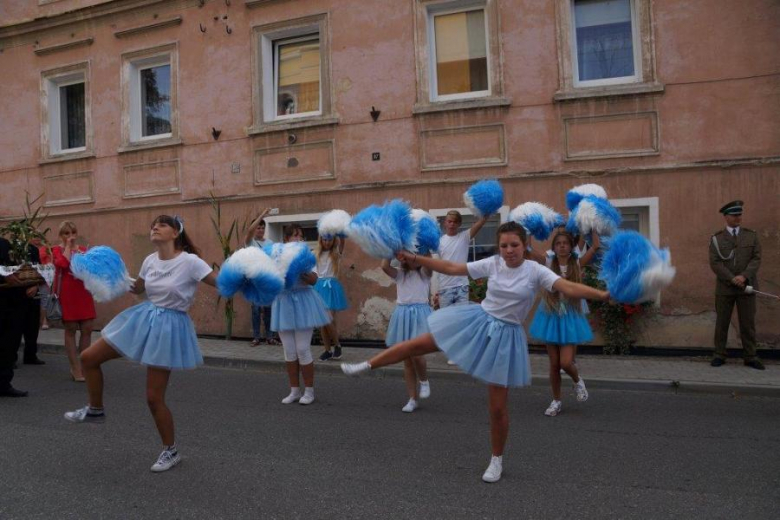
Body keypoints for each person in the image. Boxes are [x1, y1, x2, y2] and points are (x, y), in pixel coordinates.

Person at [341, 222, 609, 483]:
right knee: (416, 344)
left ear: (525, 244)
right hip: (477, 320)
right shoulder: (492, 263)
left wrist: (603, 295)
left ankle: (496, 459)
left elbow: (568, 287)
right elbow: (450, 267)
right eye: (504, 245)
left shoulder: (536, 271)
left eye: (514, 244)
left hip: (506, 337)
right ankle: (366, 365)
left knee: (497, 408)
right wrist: (413, 256)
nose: (509, 250)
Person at [63, 215, 217, 472]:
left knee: (153, 398)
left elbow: (221, 283)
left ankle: (171, 450)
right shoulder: (149, 260)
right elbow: (138, 289)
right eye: (153, 225)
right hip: (145, 317)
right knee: (88, 358)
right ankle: (96, 409)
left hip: (169, 327)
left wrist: (247, 273)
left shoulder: (190, 262)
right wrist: (107, 275)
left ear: (175, 232)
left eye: (162, 224)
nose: (154, 227)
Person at [529, 230, 599, 417]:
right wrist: (528, 229)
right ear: (554, 247)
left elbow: (596, 247)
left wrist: (592, 227)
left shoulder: (576, 263)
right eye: (558, 243)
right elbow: (528, 250)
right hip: (550, 314)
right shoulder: (547, 263)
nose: (561, 246)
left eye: (565, 243)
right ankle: (556, 400)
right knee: (553, 364)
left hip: (570, 315)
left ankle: (577, 380)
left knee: (566, 362)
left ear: (570, 246)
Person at [273, 224, 330, 405]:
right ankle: (294, 391)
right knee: (289, 351)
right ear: (286, 239)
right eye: (294, 235)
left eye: (300, 235)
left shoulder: (308, 256)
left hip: (304, 302)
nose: (298, 238)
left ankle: (310, 391)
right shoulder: (276, 255)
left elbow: (314, 280)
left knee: (303, 349)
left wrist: (299, 268)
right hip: (284, 302)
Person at [709, 200, 764, 370]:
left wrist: (744, 276)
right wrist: (732, 278)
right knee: (722, 323)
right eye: (734, 215)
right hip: (725, 287)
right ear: (726, 217)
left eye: (739, 214)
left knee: (748, 323)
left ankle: (750, 356)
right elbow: (715, 263)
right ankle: (719, 354)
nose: (738, 218)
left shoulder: (751, 235)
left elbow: (756, 258)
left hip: (747, 286)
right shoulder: (717, 238)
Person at [436, 210, 489, 365]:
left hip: (461, 286)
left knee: (460, 322)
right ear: (445, 223)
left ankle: (459, 354)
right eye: (449, 221)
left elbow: (479, 224)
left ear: (459, 224)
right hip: (445, 287)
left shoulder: (464, 237)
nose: (451, 224)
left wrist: (485, 214)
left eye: (454, 222)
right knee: (448, 323)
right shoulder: (439, 242)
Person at [381, 256, 432, 413]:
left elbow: (428, 263)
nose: (405, 259)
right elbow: (384, 265)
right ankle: (412, 399)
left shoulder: (424, 272)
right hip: (403, 314)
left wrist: (415, 255)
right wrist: (391, 248)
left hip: (420, 314)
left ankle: (424, 381)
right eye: (403, 256)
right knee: (407, 360)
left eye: (409, 256)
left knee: (417, 354)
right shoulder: (399, 274)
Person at [52, 221, 96, 381]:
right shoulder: (56, 250)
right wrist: (69, 249)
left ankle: (84, 364)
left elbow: (90, 270)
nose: (70, 236)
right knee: (70, 329)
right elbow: (62, 265)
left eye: (72, 233)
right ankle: (75, 368)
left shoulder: (83, 250)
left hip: (83, 292)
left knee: (88, 328)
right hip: (67, 292)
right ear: (61, 235)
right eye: (66, 233)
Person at [0, 237, 34, 397]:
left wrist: (31, 281)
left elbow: (18, 266)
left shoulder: (7, 243)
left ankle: (4, 383)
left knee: (10, 343)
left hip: (13, 301)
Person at [244, 209, 278, 346]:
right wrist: (262, 215)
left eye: (263, 228)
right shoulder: (250, 242)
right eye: (258, 227)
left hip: (267, 279)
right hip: (254, 280)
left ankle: (269, 337)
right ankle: (256, 337)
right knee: (256, 310)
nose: (260, 230)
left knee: (269, 309)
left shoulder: (270, 242)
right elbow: (249, 231)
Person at [315, 234, 349, 361]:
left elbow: (343, 242)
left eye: (329, 239)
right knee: (323, 323)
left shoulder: (335, 253)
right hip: (318, 286)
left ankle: (338, 346)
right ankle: (327, 350)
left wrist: (340, 229)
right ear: (321, 240)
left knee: (328, 319)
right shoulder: (316, 253)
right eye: (324, 239)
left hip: (331, 287)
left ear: (333, 240)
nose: (327, 242)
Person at [19, 243, 45, 365]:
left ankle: (30, 355)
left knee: (33, 324)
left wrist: (35, 285)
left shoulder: (34, 250)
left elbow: (39, 270)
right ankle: (11, 357)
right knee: (16, 325)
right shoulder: (13, 248)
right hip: (16, 291)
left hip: (33, 290)